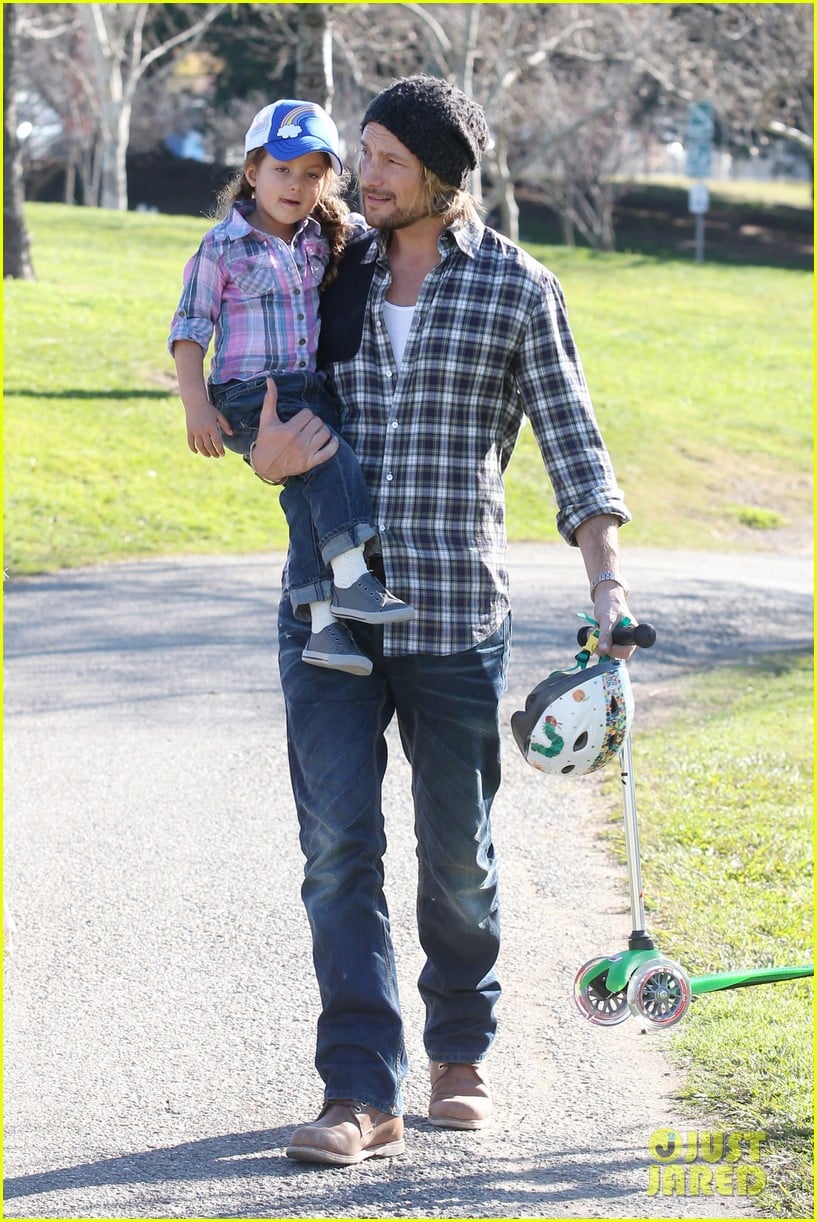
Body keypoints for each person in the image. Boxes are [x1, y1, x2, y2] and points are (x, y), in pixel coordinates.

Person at [250, 75, 637, 1167]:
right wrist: (260, 449)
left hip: (454, 614)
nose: (357, 174)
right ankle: (358, 1088)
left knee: (457, 851)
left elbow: (575, 440)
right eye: (358, 154)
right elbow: (256, 378)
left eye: (380, 158)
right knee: (337, 849)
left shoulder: (517, 286)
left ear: (437, 172)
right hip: (325, 608)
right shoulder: (326, 267)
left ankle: (459, 1053)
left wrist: (607, 584)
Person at [168, 99, 413, 678]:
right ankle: (353, 577)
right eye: (282, 169)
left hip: (307, 387)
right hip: (248, 394)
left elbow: (385, 228)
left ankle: (325, 627)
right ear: (252, 172)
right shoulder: (221, 248)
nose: (295, 185)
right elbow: (188, 330)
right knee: (331, 459)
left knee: (305, 494)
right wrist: (195, 406)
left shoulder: (320, 238)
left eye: (312, 173)